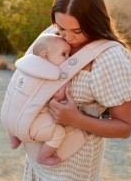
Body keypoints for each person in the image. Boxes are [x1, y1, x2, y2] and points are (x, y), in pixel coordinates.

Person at [18, 0, 131, 181]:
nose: (68, 38)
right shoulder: (51, 36)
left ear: (94, 21)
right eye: (61, 27)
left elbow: (124, 128)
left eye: (76, 30)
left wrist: (75, 119)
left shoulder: (110, 58)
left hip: (72, 172)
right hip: (39, 161)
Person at [8, 33, 82, 166]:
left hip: (7, 118)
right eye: (64, 54)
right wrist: (66, 86)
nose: (68, 58)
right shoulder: (51, 74)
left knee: (13, 111)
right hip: (30, 125)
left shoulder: (25, 67)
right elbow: (58, 96)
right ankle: (43, 156)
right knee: (58, 133)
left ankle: (14, 138)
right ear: (45, 56)